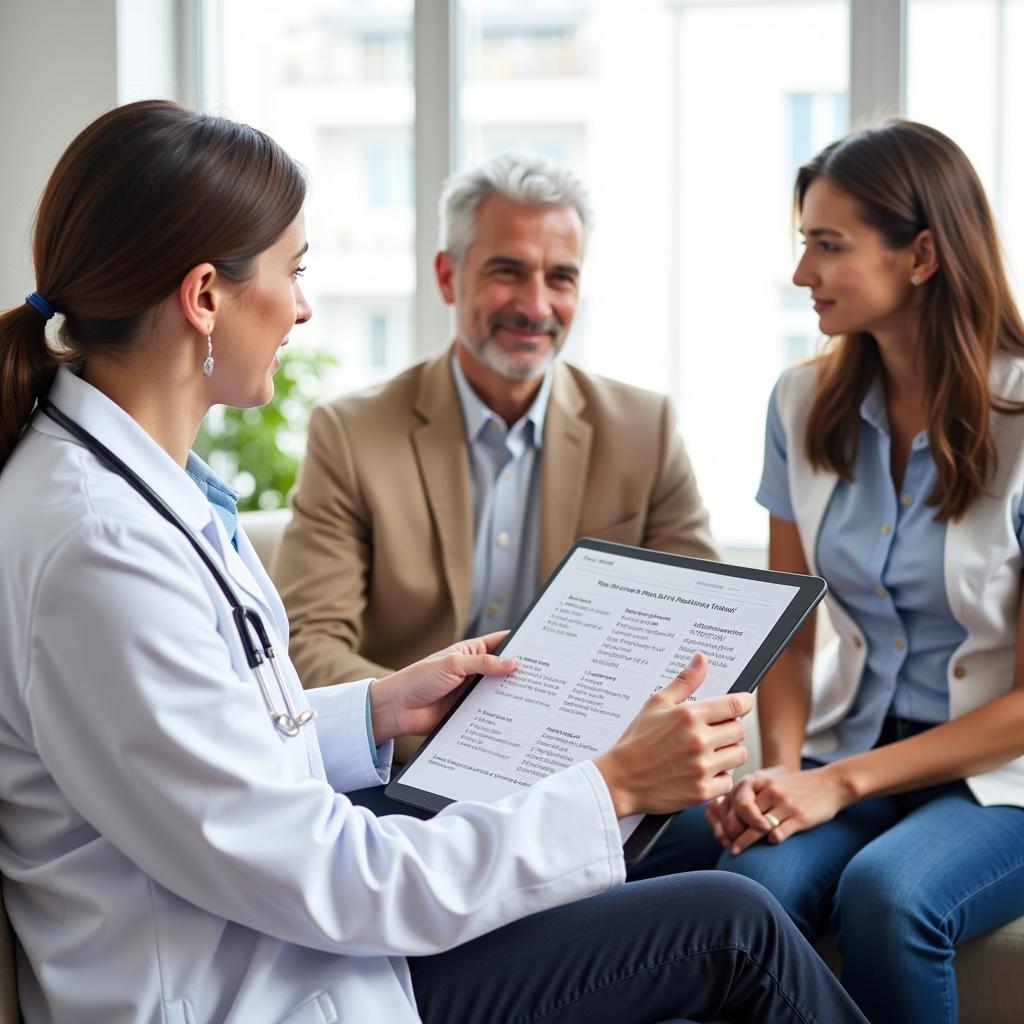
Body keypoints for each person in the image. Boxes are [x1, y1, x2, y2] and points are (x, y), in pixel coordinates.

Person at [0, 100, 867, 1024]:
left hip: (283, 933)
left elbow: (221, 752)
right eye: (294, 272)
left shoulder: (122, 488)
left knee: (720, 893)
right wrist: (609, 785)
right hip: (256, 986)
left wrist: (379, 707)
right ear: (206, 295)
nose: (302, 306)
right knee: (732, 928)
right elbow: (329, 872)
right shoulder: (102, 549)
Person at [678, 120, 1024, 1024]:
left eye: (828, 247)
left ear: (919, 255)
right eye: (805, 244)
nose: (803, 275)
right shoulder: (800, 405)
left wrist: (836, 785)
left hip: (1004, 774)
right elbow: (790, 630)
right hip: (852, 744)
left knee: (889, 895)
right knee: (749, 882)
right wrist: (782, 772)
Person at [273, 153, 717, 764]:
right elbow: (309, 644)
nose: (536, 306)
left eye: (560, 277)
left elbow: (703, 630)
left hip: (591, 769)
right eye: (508, 271)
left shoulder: (645, 430)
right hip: (410, 764)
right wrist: (459, 727)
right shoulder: (352, 433)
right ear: (448, 276)